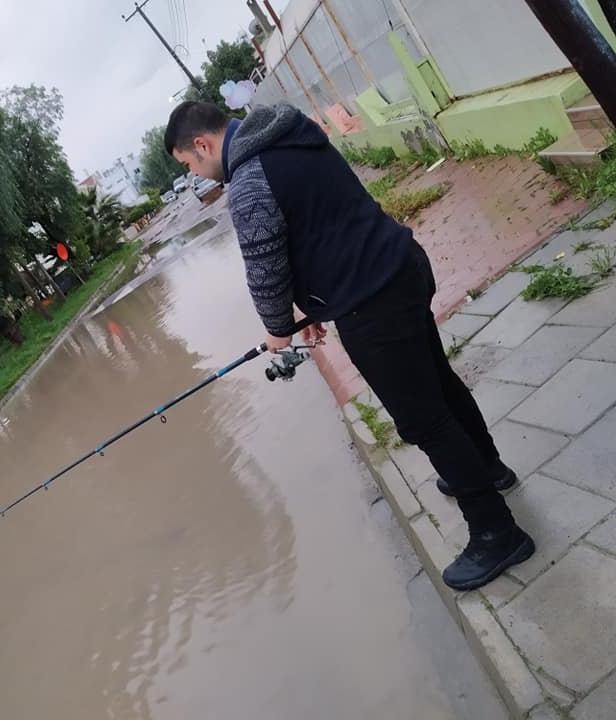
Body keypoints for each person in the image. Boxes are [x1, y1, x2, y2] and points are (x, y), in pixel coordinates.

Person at [163, 100, 535, 591]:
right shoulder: (289, 133)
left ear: (203, 144)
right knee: (438, 381)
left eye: (190, 164)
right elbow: (324, 224)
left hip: (372, 303)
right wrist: (315, 307)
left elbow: (265, 269)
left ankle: (496, 531)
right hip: (399, 265)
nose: (196, 175)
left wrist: (278, 328)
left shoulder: (250, 181)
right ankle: (488, 467)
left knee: (425, 419)